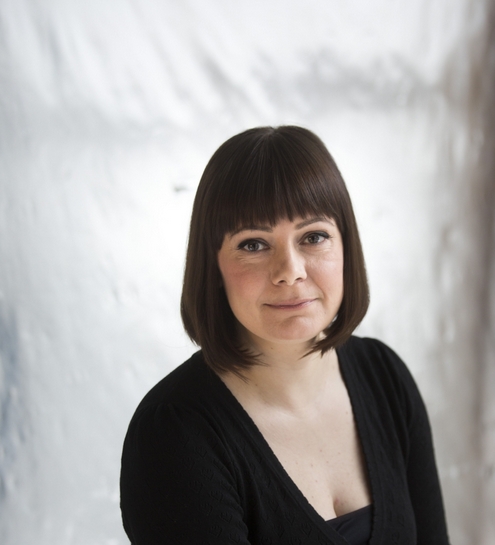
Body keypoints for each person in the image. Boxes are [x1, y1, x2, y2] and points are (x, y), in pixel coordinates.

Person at [120, 126, 450, 545]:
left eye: (313, 237)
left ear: (346, 248)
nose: (290, 271)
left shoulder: (384, 376)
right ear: (213, 267)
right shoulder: (174, 433)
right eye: (253, 244)